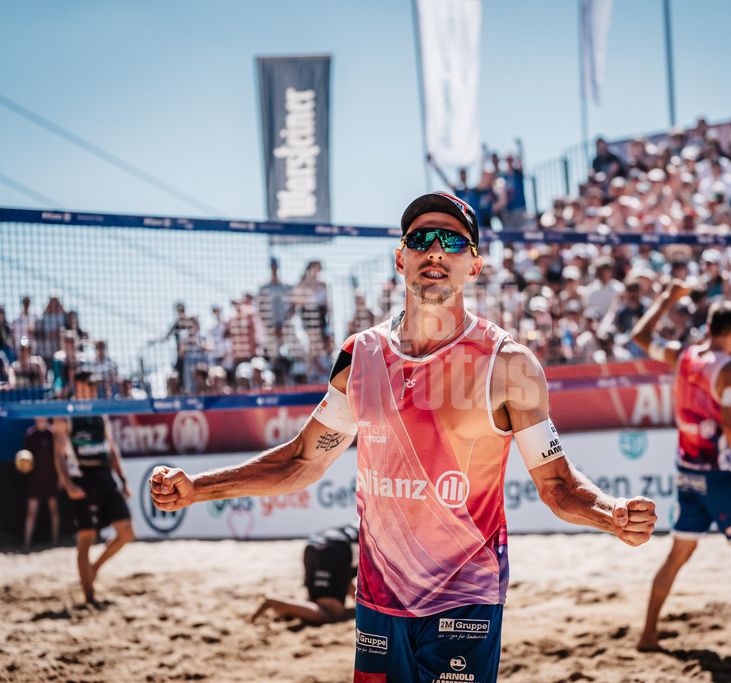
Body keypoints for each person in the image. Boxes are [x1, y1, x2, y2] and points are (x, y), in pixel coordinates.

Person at [151, 191, 657, 682]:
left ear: (474, 266)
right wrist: (197, 488)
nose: (435, 250)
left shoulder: (508, 365)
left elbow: (558, 486)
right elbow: (302, 460)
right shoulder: (360, 355)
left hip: (464, 597)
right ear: (400, 259)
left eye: (453, 242)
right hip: (378, 600)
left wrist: (609, 513)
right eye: (420, 239)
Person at [630, 282, 731, 657]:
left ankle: (648, 635)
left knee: (678, 554)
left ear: (710, 328)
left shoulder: (684, 356)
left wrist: (666, 298)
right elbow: (730, 424)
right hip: (718, 476)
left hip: (687, 472)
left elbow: (639, 336)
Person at [54, 371, 134, 604]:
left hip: (105, 476)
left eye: (95, 385)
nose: (93, 388)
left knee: (127, 532)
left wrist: (123, 480)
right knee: (86, 538)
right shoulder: (65, 413)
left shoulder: (99, 411)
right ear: (78, 385)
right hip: (83, 479)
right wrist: (69, 485)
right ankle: (89, 598)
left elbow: (112, 448)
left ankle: (94, 568)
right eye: (90, 384)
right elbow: (59, 454)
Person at [249, 520, 360, 626]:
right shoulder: (368, 537)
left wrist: (359, 603)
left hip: (315, 542)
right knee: (330, 613)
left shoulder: (362, 523)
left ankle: (288, 609)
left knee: (316, 601)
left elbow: (343, 578)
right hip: (335, 548)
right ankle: (274, 602)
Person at [22, 417, 60, 550]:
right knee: (31, 512)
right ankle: (26, 544)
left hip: (51, 478)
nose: (40, 419)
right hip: (36, 479)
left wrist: (61, 478)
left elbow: (59, 456)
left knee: (54, 510)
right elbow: (27, 460)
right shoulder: (30, 435)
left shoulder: (52, 434)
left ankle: (55, 542)